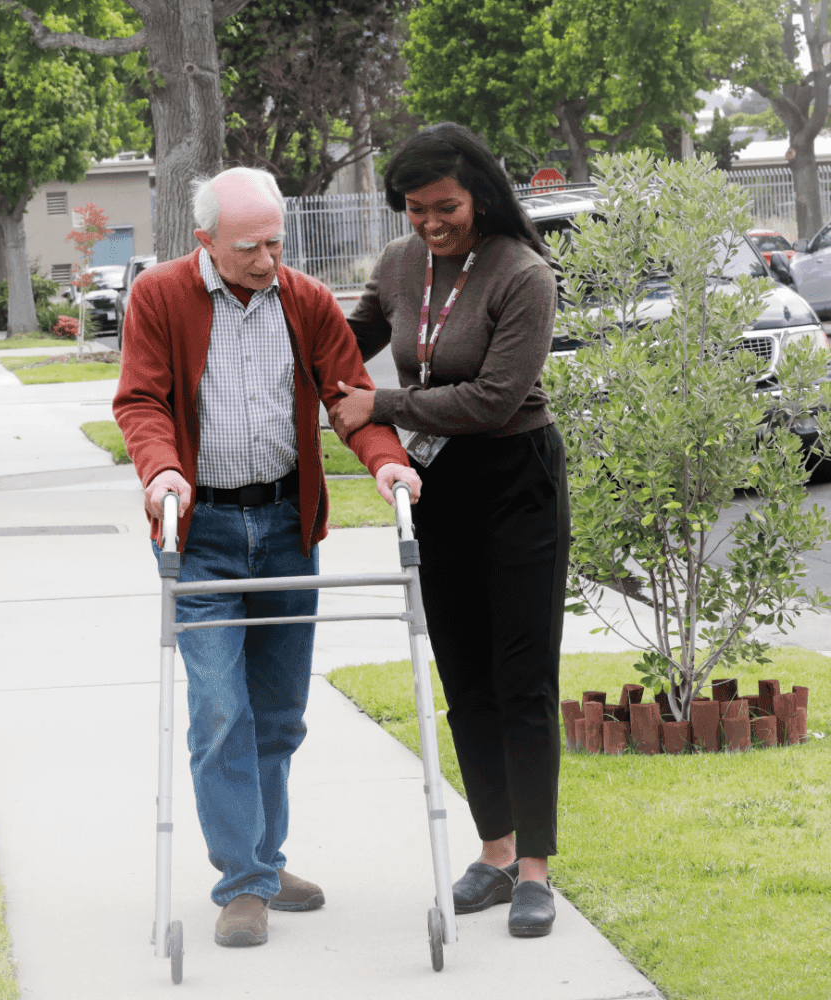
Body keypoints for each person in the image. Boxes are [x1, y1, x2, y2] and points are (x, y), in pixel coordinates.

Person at [113, 166, 421, 949]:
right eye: (248, 247)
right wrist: (163, 470)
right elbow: (141, 400)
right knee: (221, 711)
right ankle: (242, 883)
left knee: (279, 716)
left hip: (285, 526)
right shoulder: (159, 297)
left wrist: (385, 459)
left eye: (275, 243)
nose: (265, 260)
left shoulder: (306, 300)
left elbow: (349, 395)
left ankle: (262, 857)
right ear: (205, 242)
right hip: (203, 534)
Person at [328, 123, 570, 938]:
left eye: (445, 208)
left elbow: (495, 399)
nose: (430, 224)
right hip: (438, 487)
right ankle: (494, 853)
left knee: (521, 675)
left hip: (515, 478)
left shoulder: (523, 273)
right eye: (414, 210)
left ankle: (535, 868)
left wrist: (384, 405)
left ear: (482, 196)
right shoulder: (401, 264)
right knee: (464, 673)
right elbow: (351, 342)